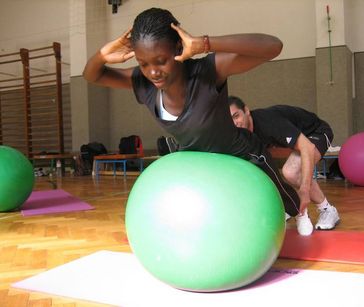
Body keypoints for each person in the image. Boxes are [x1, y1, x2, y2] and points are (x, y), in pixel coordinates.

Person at [83, 7, 306, 232]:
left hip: (243, 156)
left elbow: (273, 47)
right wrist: (102, 54)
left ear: (178, 47)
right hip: (200, 163)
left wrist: (205, 43)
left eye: (160, 61)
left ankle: (301, 214)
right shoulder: (143, 84)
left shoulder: (207, 72)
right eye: (144, 64)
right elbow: (93, 75)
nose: (153, 72)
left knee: (285, 204)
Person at [228, 96, 340, 235]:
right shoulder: (242, 134)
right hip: (296, 141)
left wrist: (304, 190)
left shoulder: (269, 122)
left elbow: (307, 148)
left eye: (236, 116)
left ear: (246, 111)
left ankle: (327, 210)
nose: (235, 123)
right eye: (230, 120)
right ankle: (289, 207)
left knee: (292, 171)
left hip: (316, 132)